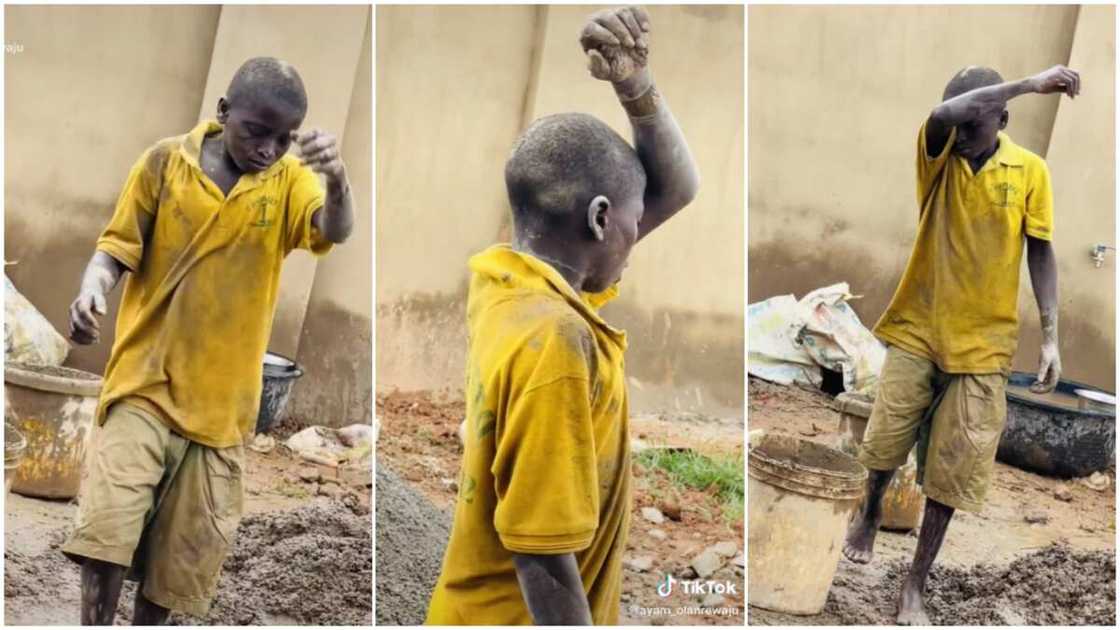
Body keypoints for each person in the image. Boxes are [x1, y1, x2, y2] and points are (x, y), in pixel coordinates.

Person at [425, 6, 699, 625]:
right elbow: (543, 558)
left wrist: (635, 86)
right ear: (600, 219)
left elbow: (676, 191)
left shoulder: (508, 283)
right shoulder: (557, 340)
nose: (639, 234)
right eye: (632, 223)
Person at [62, 56, 354, 625]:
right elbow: (115, 249)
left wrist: (337, 179)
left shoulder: (290, 183)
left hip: (222, 411)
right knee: (108, 531)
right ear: (223, 113)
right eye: (255, 131)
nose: (269, 148)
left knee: (181, 563)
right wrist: (89, 289)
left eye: (284, 139)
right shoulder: (165, 163)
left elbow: (333, 230)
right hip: (144, 382)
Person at [843, 64, 1080, 625]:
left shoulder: (1030, 171)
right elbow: (942, 114)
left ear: (1003, 119)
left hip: (986, 343)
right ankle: (871, 510)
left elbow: (1040, 251)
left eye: (980, 119)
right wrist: (1029, 82)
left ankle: (914, 586)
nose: (965, 128)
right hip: (920, 326)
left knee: (954, 466)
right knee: (884, 440)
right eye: (962, 115)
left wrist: (1051, 338)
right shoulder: (937, 154)